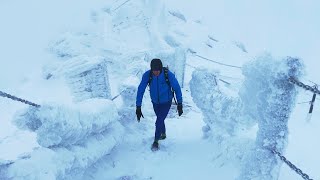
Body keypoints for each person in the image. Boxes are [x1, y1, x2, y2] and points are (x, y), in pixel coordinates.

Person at [136, 58, 183, 151]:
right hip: (155, 102)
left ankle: (156, 141)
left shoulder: (168, 75)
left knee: (159, 120)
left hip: (166, 102)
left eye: (157, 71)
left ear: (161, 69)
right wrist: (138, 106)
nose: (156, 73)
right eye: (154, 71)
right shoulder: (147, 75)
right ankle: (163, 134)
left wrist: (180, 104)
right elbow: (140, 90)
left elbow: (177, 88)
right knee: (160, 118)